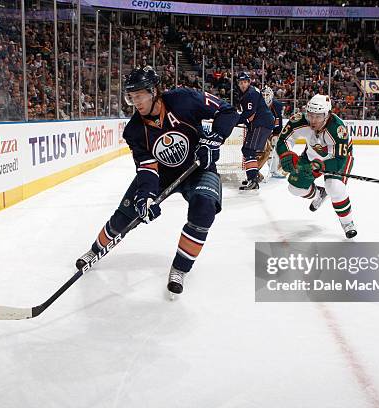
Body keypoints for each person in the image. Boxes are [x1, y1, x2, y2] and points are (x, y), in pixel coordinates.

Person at [76, 66, 239, 295]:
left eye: (140, 95)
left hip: (198, 167)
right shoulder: (134, 130)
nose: (136, 102)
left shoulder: (184, 99)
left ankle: (180, 268)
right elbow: (147, 169)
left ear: (154, 91)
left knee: (204, 208)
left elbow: (228, 111)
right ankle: (95, 250)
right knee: (125, 215)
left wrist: (215, 139)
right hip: (162, 175)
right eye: (131, 97)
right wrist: (145, 196)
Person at [276, 94, 357, 239]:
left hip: (337, 158)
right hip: (311, 156)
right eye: (310, 115)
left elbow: (339, 159)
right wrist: (285, 154)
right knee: (294, 188)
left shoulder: (338, 129)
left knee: (334, 186)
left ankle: (347, 222)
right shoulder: (299, 120)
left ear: (327, 115)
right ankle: (319, 193)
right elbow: (283, 140)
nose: (313, 120)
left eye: (318, 116)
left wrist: (321, 165)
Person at [236, 72, 274, 190]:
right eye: (241, 83)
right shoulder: (246, 94)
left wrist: (234, 121)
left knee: (249, 150)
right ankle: (253, 177)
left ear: (249, 82)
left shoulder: (250, 94)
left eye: (245, 82)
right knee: (246, 150)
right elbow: (249, 115)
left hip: (261, 124)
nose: (243, 85)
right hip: (259, 124)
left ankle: (253, 179)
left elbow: (250, 113)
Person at [256, 86, 285, 179]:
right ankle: (254, 171)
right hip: (260, 130)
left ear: (271, 95)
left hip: (273, 130)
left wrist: (275, 134)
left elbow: (278, 122)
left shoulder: (276, 105)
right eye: (263, 95)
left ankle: (273, 170)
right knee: (261, 152)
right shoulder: (258, 104)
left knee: (273, 150)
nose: (265, 97)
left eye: (267, 94)